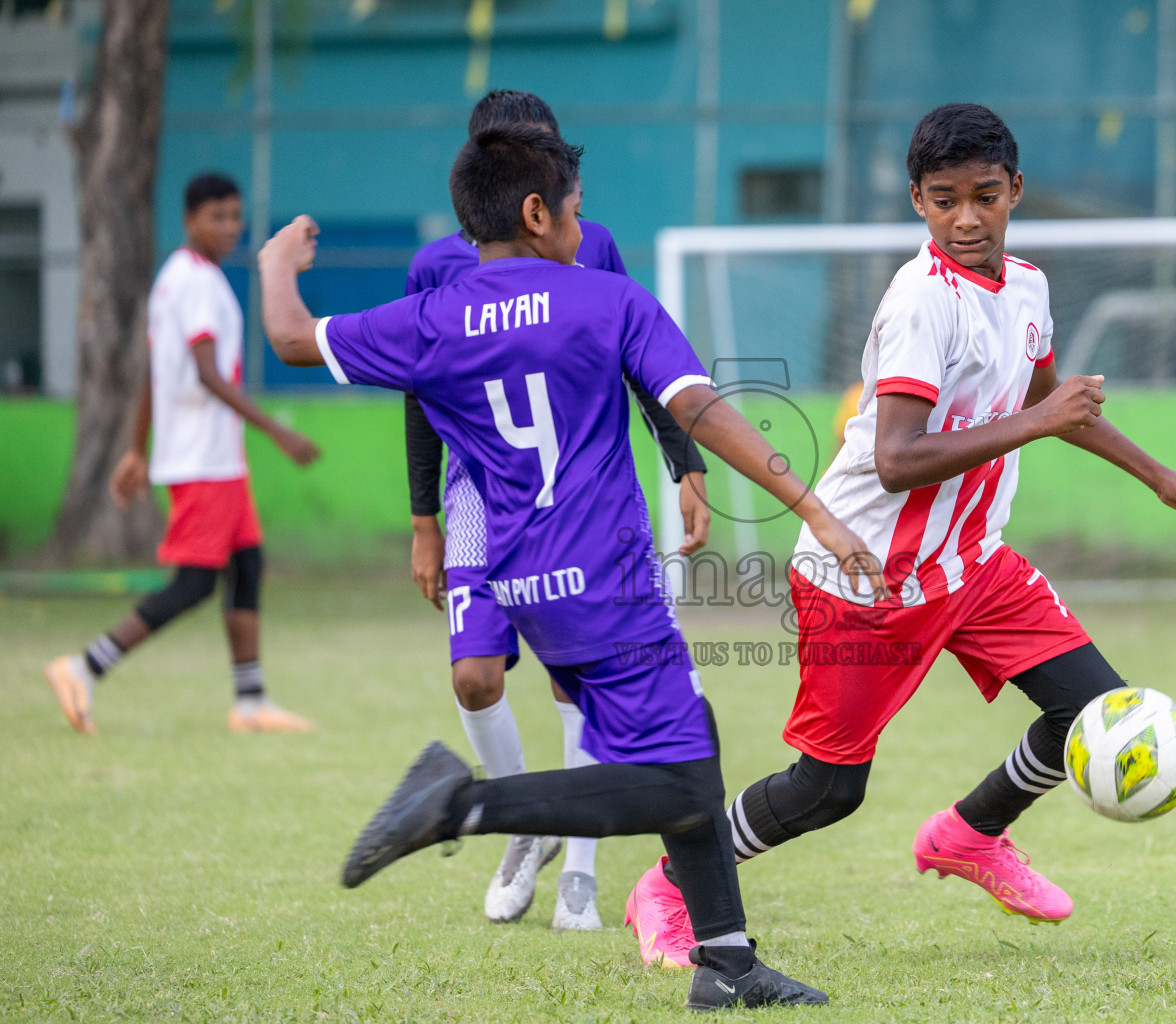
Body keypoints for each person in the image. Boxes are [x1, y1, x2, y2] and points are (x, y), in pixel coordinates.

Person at [259, 124, 885, 1010]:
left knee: (690, 746)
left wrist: (276, 259)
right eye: (578, 213)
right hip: (607, 579)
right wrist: (816, 509)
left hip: (520, 580)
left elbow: (289, 338)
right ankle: (461, 806)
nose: (584, 230)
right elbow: (700, 409)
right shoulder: (604, 301)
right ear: (536, 211)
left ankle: (727, 961)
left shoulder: (433, 316)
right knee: (673, 779)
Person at [625, 102, 1176, 964]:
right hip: (866, 576)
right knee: (828, 790)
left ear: (1015, 190)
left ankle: (970, 836)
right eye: (945, 200)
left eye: (985, 195)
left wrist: (1161, 477)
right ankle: (670, 884)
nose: (967, 218)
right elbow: (901, 460)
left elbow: (1043, 403)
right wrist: (1043, 420)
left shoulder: (1028, 287)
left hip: (972, 565)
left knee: (1091, 709)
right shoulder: (920, 303)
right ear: (918, 201)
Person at [401, 89, 711, 931]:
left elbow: (643, 358)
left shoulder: (593, 246)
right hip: (478, 496)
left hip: (583, 497)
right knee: (474, 677)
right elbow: (417, 394)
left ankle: (578, 867)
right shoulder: (436, 268)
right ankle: (518, 825)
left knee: (584, 685)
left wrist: (685, 463)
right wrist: (424, 518)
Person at [44, 173, 319, 736]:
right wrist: (276, 431)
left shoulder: (177, 276)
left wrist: (135, 451)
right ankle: (83, 666)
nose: (228, 227)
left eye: (235, 216)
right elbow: (202, 372)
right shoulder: (194, 283)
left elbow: (154, 369)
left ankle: (250, 702)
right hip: (202, 460)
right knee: (195, 582)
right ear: (189, 219)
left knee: (247, 565)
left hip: (214, 458)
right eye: (216, 216)